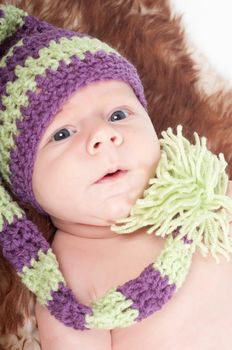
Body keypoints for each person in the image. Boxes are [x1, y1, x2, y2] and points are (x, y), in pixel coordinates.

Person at [0, 5, 232, 350]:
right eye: (62, 134)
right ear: (24, 185)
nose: (104, 135)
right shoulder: (69, 284)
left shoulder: (200, 189)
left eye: (118, 114)